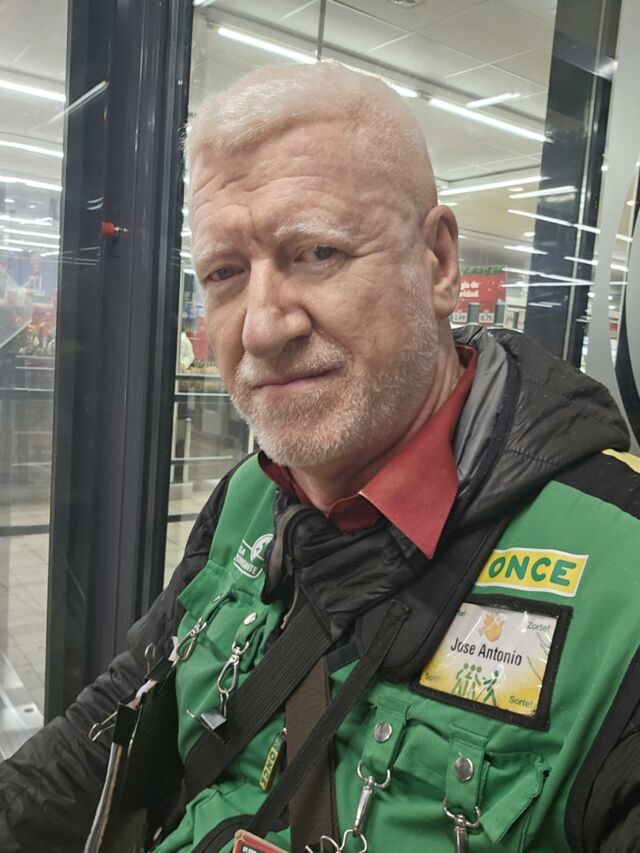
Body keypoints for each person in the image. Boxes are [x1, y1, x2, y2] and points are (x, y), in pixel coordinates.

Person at [1, 61, 639, 853]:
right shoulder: (247, 497)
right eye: (225, 273)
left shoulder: (621, 584)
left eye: (316, 252)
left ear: (439, 263)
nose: (262, 327)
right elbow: (105, 732)